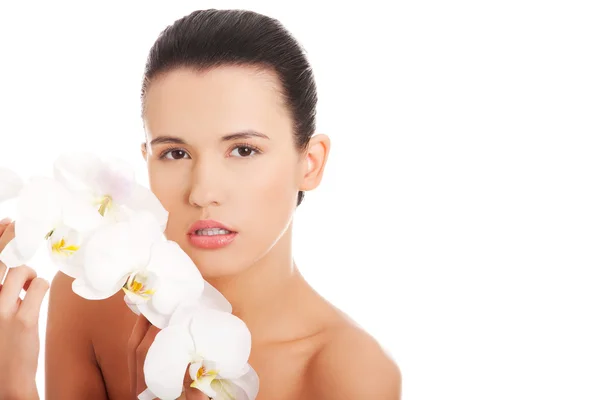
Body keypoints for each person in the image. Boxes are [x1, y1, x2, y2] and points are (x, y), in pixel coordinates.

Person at [0, 8, 401, 400]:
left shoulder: (350, 374)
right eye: (175, 153)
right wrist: (13, 383)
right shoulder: (89, 296)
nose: (202, 192)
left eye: (243, 150)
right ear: (147, 159)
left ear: (309, 164)